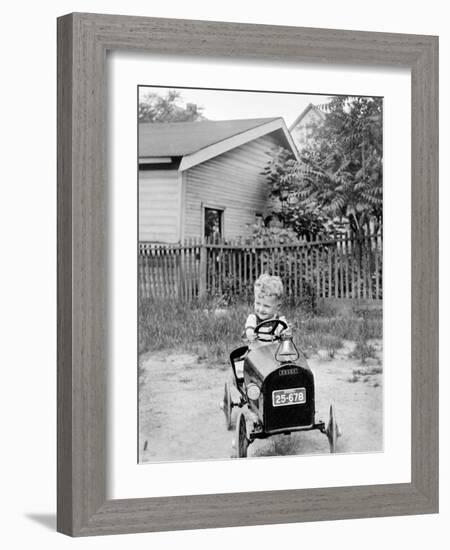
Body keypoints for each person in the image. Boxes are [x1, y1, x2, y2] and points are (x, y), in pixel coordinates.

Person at [245, 273, 289, 343]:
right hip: (256, 351)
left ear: (278, 306)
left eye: (266, 306)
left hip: (274, 352)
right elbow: (249, 328)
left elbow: (286, 334)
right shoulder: (253, 319)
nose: (261, 309)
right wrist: (250, 333)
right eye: (258, 303)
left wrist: (285, 334)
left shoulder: (280, 321)